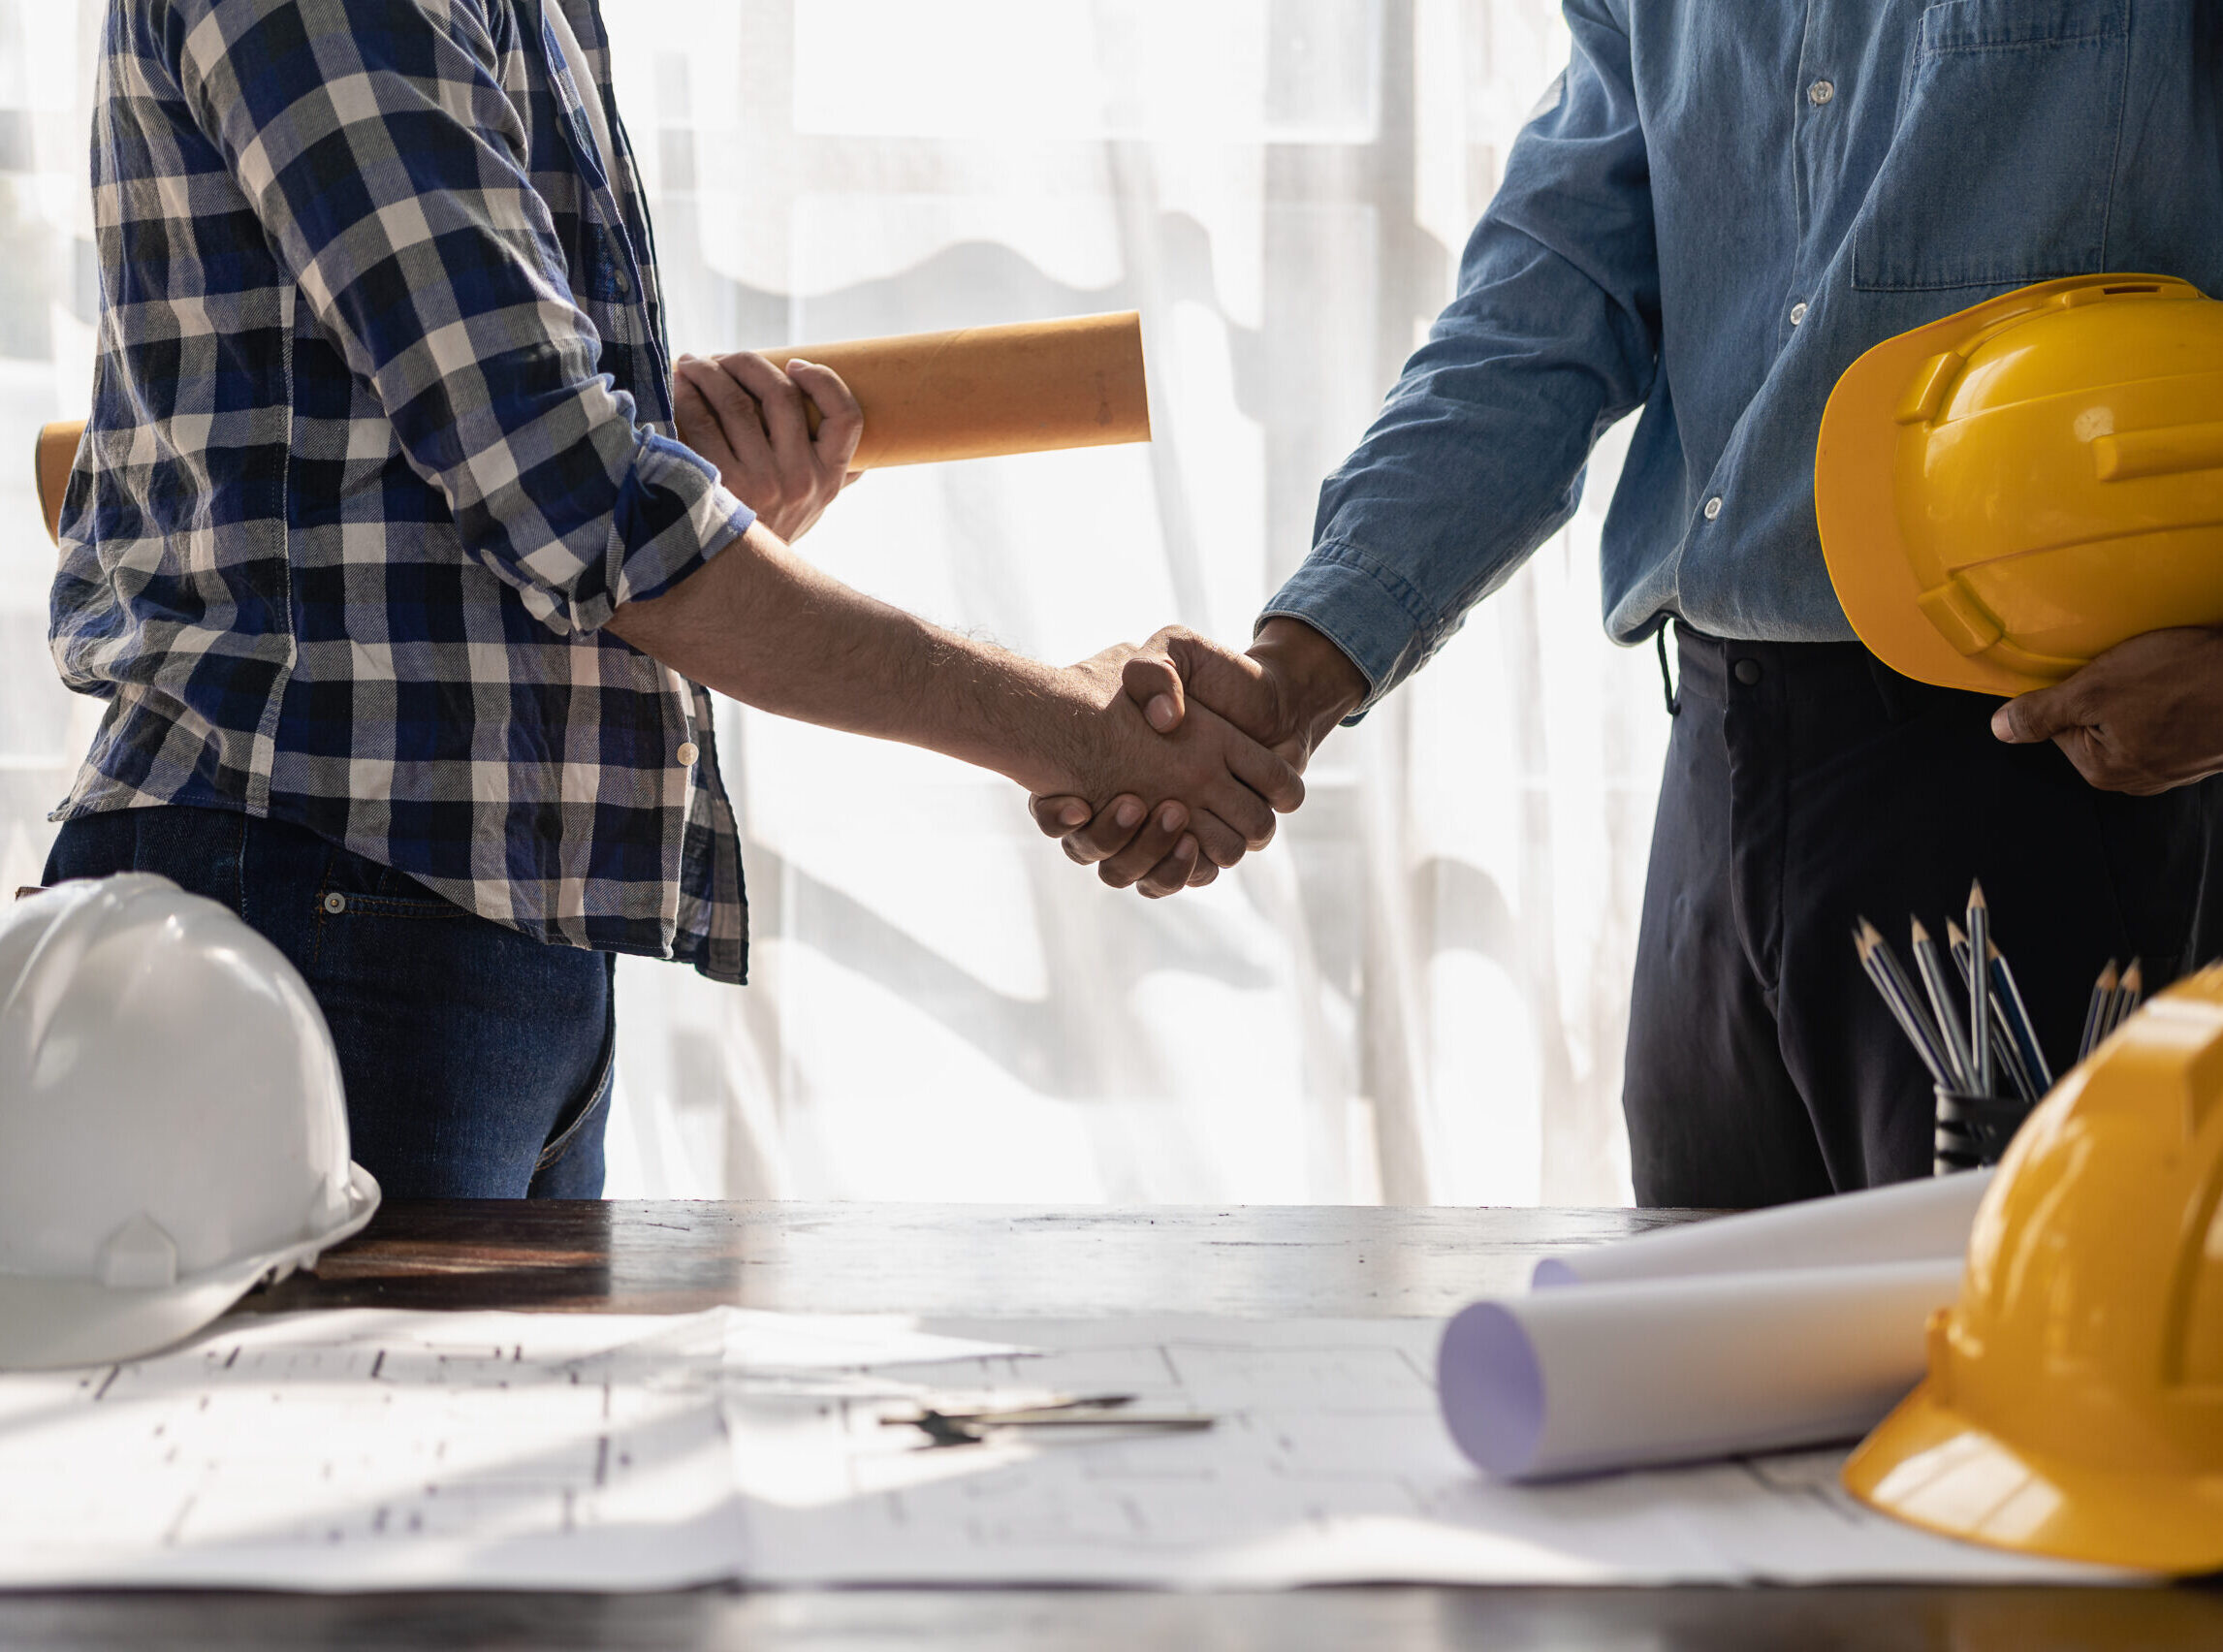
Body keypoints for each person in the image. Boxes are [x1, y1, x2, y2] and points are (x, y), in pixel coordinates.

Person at [45, 0, 1298, 1198]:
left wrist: (703, 500)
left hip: (484, 927)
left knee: (499, 1421)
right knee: (324, 1425)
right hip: (305, 904)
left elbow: (513, 491)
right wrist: (1069, 726)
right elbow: (570, 494)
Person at [1037, 2, 2223, 1206]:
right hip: (1721, 764)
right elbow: (1548, 302)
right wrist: (1300, 668)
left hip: (2068, 765)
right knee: (1705, 1365)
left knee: (2030, 1368)